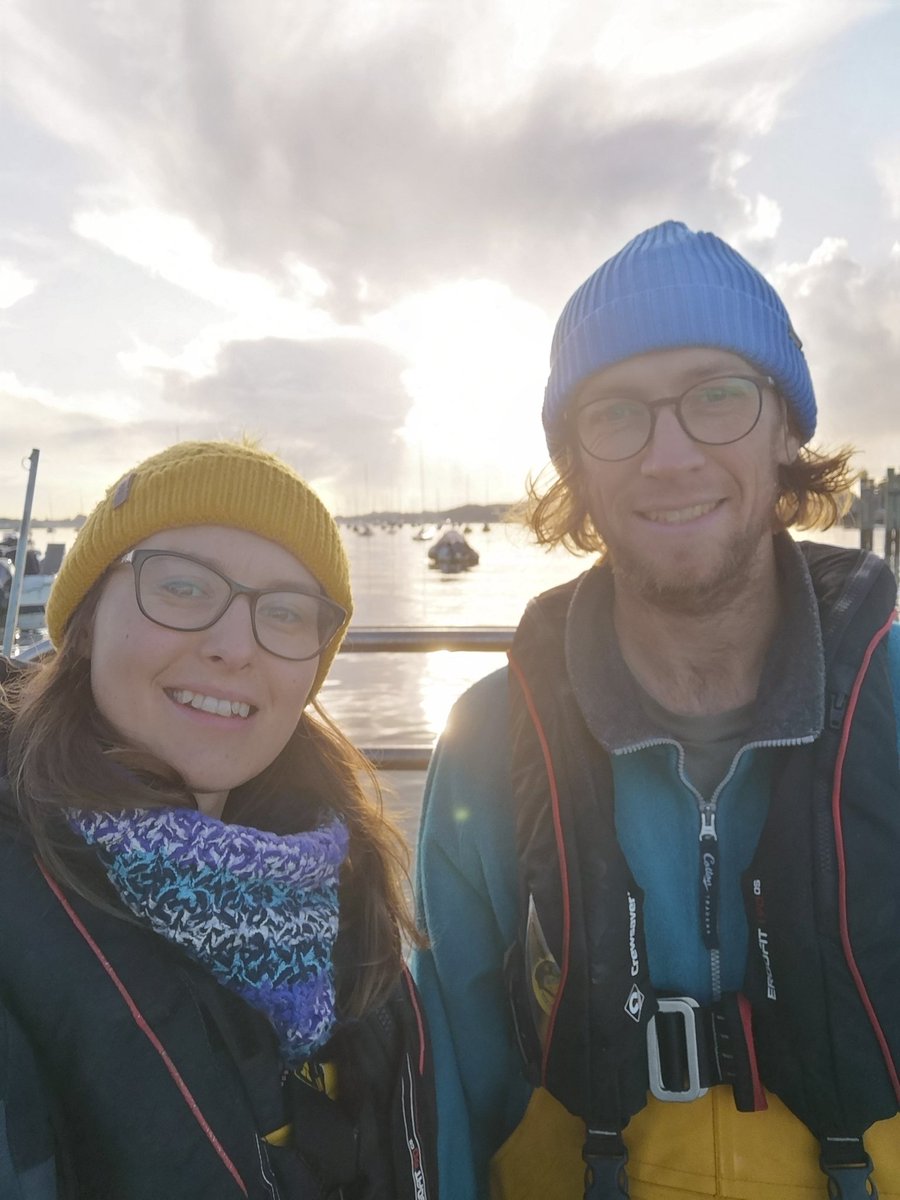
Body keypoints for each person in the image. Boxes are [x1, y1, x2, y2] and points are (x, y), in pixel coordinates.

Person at [412, 221, 900, 1199]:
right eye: (616, 414)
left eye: (719, 396)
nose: (669, 454)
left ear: (786, 428)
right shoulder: (487, 744)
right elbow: (455, 1079)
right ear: (575, 468)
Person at [0, 440, 437, 1199]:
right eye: (181, 587)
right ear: (86, 618)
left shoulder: (344, 891)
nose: (235, 648)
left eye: (288, 613)